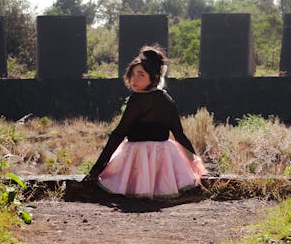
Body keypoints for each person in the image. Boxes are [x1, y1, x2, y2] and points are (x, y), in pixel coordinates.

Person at [83, 45, 207, 199]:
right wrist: (196, 164)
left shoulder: (138, 99)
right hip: (163, 159)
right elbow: (179, 135)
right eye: (133, 74)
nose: (134, 79)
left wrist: (96, 169)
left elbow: (119, 133)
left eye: (140, 75)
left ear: (154, 77)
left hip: (137, 158)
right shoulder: (167, 99)